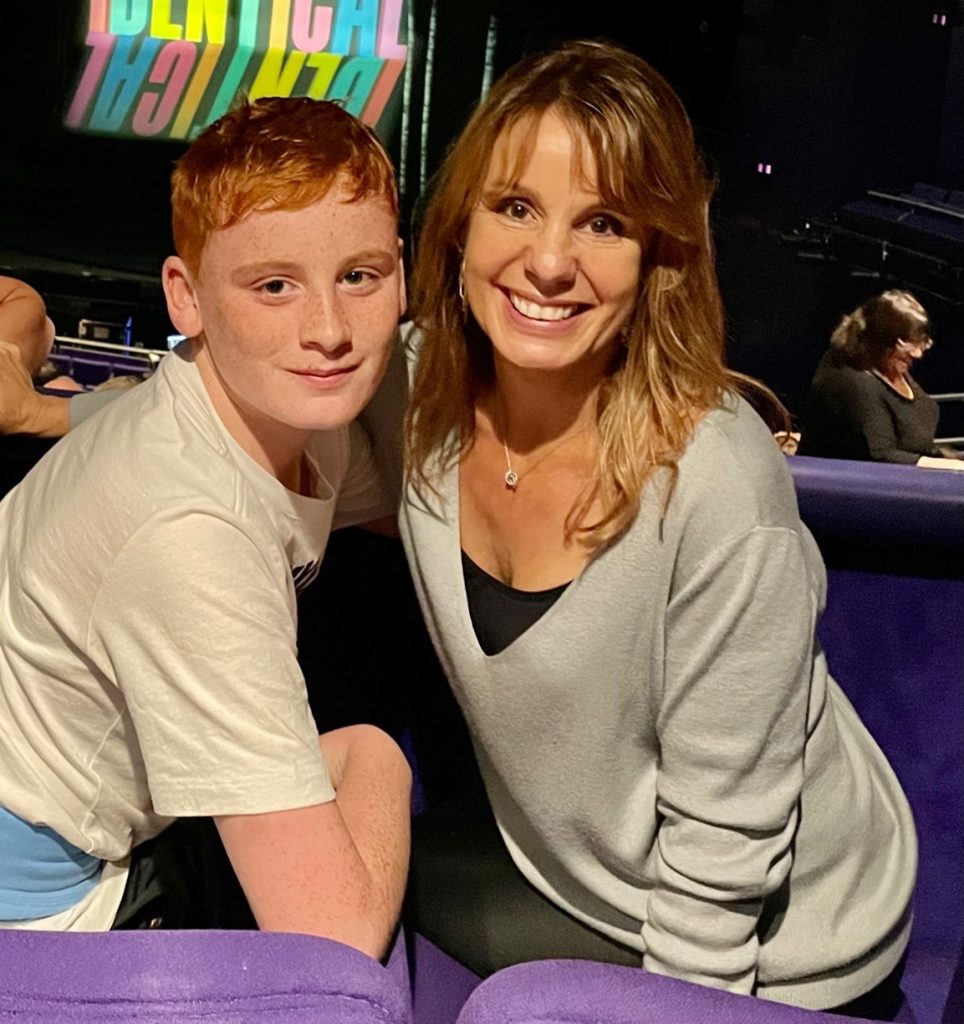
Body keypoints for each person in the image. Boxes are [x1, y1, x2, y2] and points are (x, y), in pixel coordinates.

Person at [392, 38, 916, 1015]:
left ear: (659, 258)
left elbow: (720, 870)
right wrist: (42, 405)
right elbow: (241, 402)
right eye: (514, 206)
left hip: (787, 939)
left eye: (602, 222)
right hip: (585, 875)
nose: (547, 262)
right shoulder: (413, 391)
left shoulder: (718, 483)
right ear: (460, 221)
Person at [0, 96, 411, 956]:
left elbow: (394, 521)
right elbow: (331, 934)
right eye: (273, 286)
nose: (329, 331)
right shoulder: (190, 532)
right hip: (37, 903)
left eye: (360, 276)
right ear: (185, 299)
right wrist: (380, 755)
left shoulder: (293, 408)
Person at [797, 289, 964, 469]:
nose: (917, 353)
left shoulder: (890, 367)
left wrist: (954, 459)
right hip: (848, 489)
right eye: (906, 343)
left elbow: (917, 446)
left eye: (921, 342)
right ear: (879, 339)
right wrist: (955, 467)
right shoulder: (849, 380)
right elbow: (880, 455)